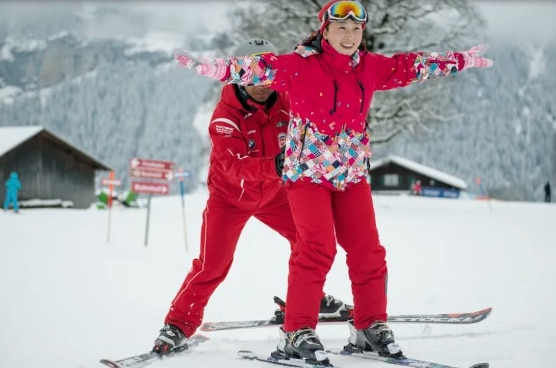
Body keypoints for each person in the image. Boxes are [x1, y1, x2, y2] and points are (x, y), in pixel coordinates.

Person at [174, 0, 493, 364]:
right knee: (316, 247)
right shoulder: (298, 66)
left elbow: (413, 66)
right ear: (324, 30)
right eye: (340, 28)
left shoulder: (371, 67)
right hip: (306, 175)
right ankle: (297, 331)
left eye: (356, 29)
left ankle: (369, 326)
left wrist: (461, 60)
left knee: (368, 251)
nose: (349, 35)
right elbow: (255, 68)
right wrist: (214, 68)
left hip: (351, 175)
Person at [152, 38, 346, 356]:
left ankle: (307, 300)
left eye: (267, 73)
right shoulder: (225, 116)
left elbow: (320, 95)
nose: (260, 82)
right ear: (238, 74)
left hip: (274, 196)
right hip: (230, 199)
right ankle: (177, 325)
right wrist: (277, 164)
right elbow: (233, 166)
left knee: (311, 243)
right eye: (252, 74)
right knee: (212, 265)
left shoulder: (287, 101)